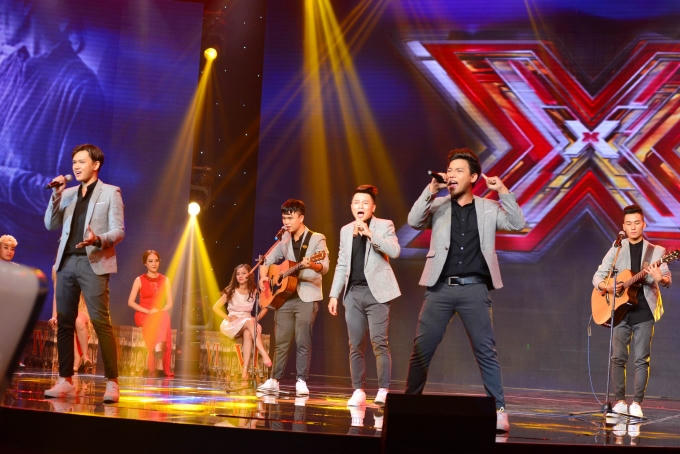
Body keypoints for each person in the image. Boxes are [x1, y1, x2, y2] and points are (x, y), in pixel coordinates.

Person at [404, 148, 525, 433]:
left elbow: (518, 224)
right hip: (439, 289)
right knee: (421, 350)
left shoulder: (488, 208)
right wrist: (430, 190)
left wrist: (502, 190)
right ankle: (408, 407)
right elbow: (413, 221)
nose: (451, 175)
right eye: (449, 170)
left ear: (473, 177)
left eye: (458, 171)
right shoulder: (438, 205)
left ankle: (499, 409)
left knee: (486, 351)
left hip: (474, 289)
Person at [43, 143, 124, 403]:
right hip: (66, 262)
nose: (76, 166)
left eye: (82, 162)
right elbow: (50, 224)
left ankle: (112, 382)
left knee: (100, 322)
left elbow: (119, 230)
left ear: (96, 164)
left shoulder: (111, 192)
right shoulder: (67, 194)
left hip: (93, 263)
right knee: (65, 322)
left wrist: (97, 239)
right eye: (74, 162)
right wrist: (56, 195)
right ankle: (65, 379)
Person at [592, 204, 671, 418]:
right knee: (618, 357)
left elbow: (667, 280)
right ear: (623, 226)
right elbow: (597, 277)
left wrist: (660, 278)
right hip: (620, 311)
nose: (633, 227)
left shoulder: (657, 252)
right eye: (629, 224)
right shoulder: (616, 249)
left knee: (641, 358)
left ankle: (636, 403)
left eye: (637, 223)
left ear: (644, 224)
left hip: (644, 310)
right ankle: (619, 401)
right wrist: (608, 287)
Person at [328, 185, 401, 407]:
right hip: (353, 293)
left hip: (377, 293)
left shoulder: (384, 225)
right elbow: (342, 263)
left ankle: (383, 389)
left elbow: (395, 251)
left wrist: (370, 234)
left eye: (365, 203)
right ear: (351, 206)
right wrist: (334, 294)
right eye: (356, 202)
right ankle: (358, 390)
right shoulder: (345, 230)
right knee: (355, 344)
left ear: (373, 207)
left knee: (379, 342)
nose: (360, 206)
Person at [257, 199, 329, 395]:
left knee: (302, 339)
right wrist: (264, 278)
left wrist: (311, 264)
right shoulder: (285, 239)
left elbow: (324, 266)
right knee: (281, 340)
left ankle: (301, 380)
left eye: (290, 218)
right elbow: (267, 260)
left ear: (301, 217)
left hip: (307, 295)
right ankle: (274, 379)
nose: (286, 222)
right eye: (284, 218)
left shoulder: (316, 238)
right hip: (285, 296)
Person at [212, 263, 272, 380]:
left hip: (248, 323)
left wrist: (256, 318)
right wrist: (228, 318)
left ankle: (244, 371)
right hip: (231, 324)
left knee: (248, 333)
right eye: (238, 274)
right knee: (250, 323)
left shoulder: (254, 291)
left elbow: (265, 308)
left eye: (243, 273)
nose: (240, 276)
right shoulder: (231, 290)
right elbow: (215, 307)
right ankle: (264, 353)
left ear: (249, 275)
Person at [127, 250, 174, 377]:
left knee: (164, 316)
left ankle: (158, 347)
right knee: (160, 318)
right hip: (144, 313)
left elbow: (169, 303)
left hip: (158, 313)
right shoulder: (139, 280)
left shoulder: (165, 280)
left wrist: (159, 311)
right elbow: (130, 302)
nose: (154, 264)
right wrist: (148, 311)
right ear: (145, 263)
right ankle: (158, 347)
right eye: (150, 261)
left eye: (156, 261)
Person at [49, 266, 93, 374]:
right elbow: (57, 294)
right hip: (67, 307)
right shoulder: (56, 268)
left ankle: (85, 356)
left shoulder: (80, 265)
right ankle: (76, 357)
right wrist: (54, 316)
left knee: (77, 320)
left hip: (83, 306)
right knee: (67, 318)